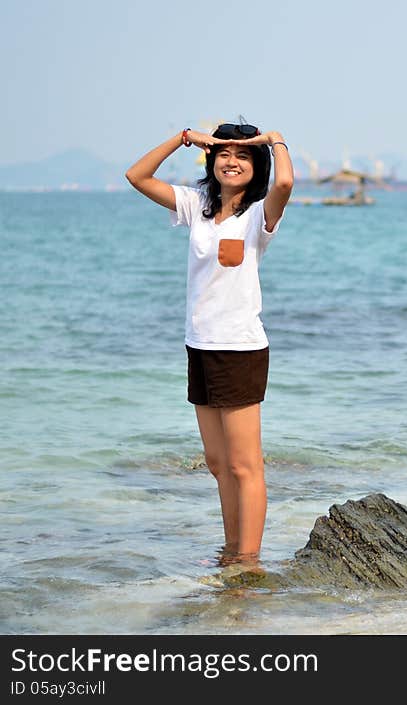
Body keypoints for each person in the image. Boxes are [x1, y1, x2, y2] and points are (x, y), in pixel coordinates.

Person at [125, 121, 294, 565]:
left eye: (242, 155)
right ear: (211, 158)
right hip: (199, 345)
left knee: (245, 466)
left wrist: (273, 140)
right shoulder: (196, 204)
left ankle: (250, 561)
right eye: (224, 152)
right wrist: (183, 138)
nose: (231, 161)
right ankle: (230, 551)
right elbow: (136, 176)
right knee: (219, 465)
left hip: (239, 349)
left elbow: (287, 180)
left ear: (255, 165)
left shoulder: (259, 214)